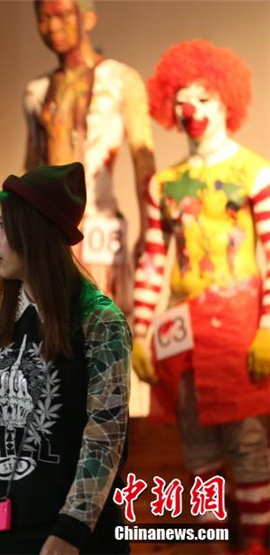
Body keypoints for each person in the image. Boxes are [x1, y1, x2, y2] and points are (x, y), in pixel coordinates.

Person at [133, 39, 270, 552]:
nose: (191, 109)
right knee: (198, 446)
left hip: (239, 326)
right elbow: (152, 260)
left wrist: (267, 328)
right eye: (182, 99)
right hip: (184, 329)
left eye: (204, 98)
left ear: (227, 101)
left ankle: (254, 547)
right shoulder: (164, 185)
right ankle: (216, 548)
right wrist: (140, 333)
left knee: (250, 442)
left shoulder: (255, 173)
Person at [0, 162, 131, 554]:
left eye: (2, 226)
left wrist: (70, 530)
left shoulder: (99, 320)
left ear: (33, 231)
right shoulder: (1, 322)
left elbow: (105, 436)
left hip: (73, 536)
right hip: (2, 533)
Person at [24, 0, 156, 313]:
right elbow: (32, 166)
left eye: (62, 16)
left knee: (103, 319)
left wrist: (150, 231)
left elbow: (144, 162)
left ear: (88, 18)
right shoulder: (36, 92)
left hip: (101, 226)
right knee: (53, 322)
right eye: (44, 18)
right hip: (50, 233)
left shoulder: (120, 81)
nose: (53, 27)